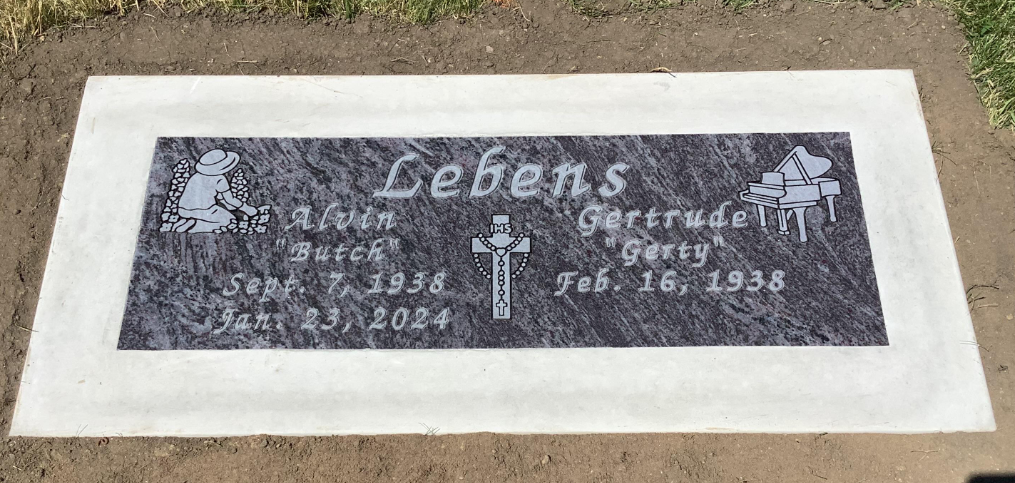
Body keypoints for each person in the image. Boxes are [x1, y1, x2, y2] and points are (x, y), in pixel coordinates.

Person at [177, 149, 258, 233]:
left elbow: (218, 196)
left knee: (225, 215)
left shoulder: (196, 176)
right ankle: (196, 227)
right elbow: (229, 199)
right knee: (230, 221)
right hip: (205, 210)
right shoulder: (220, 179)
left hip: (183, 210)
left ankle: (189, 221)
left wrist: (228, 206)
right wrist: (247, 209)